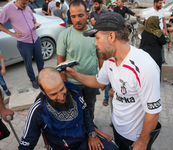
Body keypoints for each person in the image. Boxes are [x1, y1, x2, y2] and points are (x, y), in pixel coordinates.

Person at [64, 12, 162, 150]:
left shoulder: (144, 67)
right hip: (117, 128)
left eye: (97, 38)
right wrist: (73, 74)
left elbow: (153, 111)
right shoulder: (110, 60)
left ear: (111, 36)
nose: (95, 43)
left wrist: (143, 142)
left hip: (135, 137)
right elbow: (99, 82)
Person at [18, 67, 118, 150]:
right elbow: (27, 142)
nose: (61, 97)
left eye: (62, 89)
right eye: (53, 94)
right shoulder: (37, 110)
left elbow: (85, 113)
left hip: (84, 141)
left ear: (62, 80)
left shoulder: (73, 93)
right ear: (43, 91)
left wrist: (92, 134)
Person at [57, 0, 103, 124]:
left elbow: (100, 57)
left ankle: (91, 128)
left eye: (80, 15)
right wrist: (64, 84)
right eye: (73, 16)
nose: (77, 20)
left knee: (90, 107)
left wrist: (103, 78)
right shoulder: (64, 35)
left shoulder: (94, 33)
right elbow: (60, 62)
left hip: (92, 81)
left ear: (87, 14)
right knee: (74, 108)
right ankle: (79, 129)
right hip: (72, 83)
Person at [0, 0, 44, 89]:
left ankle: (42, 77)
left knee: (40, 60)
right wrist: (11, 33)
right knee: (28, 63)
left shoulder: (27, 8)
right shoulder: (7, 9)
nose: (26, 5)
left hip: (35, 39)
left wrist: (36, 25)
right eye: (24, 3)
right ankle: (33, 80)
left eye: (27, 2)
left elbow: (34, 21)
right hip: (24, 43)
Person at [145, 0, 167, 64]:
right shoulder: (150, 12)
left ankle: (163, 60)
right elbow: (146, 23)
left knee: (162, 46)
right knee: (154, 47)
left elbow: (163, 20)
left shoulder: (162, 10)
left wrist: (165, 30)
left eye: (161, 3)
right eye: (160, 3)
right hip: (153, 33)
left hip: (161, 31)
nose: (161, 5)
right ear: (155, 3)